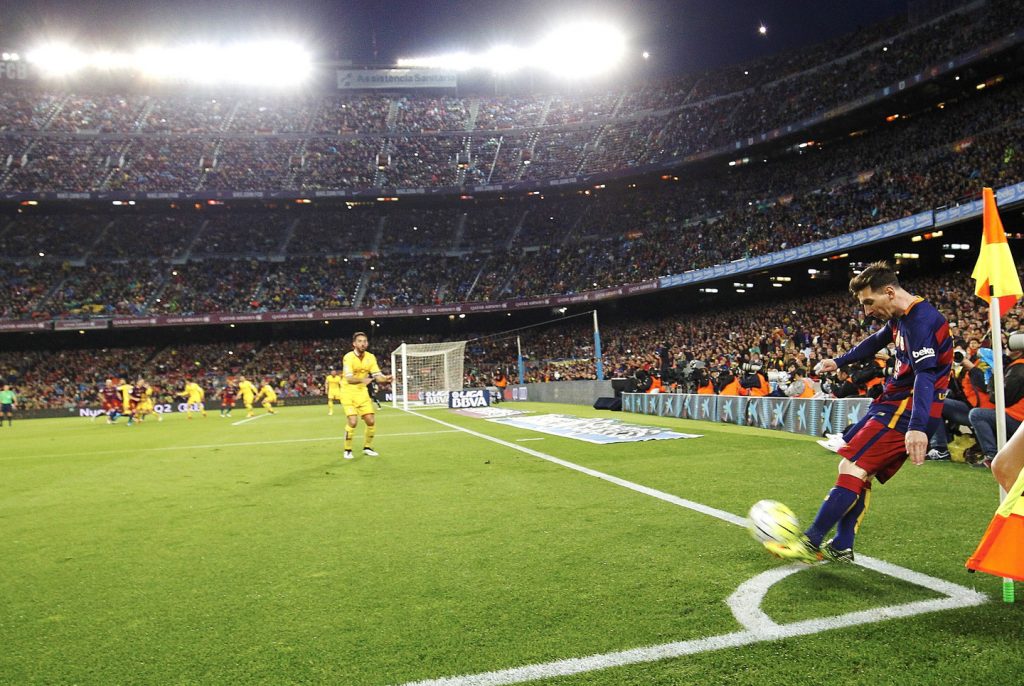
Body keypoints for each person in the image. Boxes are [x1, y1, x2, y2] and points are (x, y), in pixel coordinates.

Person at [765, 262, 952, 564]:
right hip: (892, 403)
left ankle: (810, 543)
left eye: (869, 302)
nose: (866, 312)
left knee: (851, 467)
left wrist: (917, 426)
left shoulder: (921, 322)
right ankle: (841, 545)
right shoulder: (902, 316)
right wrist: (838, 361)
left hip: (904, 410)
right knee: (859, 471)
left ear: (889, 292)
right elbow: (876, 341)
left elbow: (925, 377)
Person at [966, 334, 1024, 470]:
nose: (1004, 349)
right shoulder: (1017, 367)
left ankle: (992, 456)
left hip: (1017, 419)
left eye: (1006, 346)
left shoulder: (1019, 369)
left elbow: (1002, 398)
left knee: (977, 415)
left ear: (1017, 351)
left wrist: (993, 375)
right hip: (1018, 418)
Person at [340, 331, 392, 460]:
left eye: (365, 341)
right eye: (360, 341)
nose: (363, 344)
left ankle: (367, 447)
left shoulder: (370, 357)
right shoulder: (348, 357)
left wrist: (386, 378)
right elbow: (349, 379)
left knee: (371, 420)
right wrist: (364, 380)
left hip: (362, 392)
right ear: (354, 344)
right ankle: (347, 449)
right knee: (353, 421)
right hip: (348, 392)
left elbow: (377, 376)